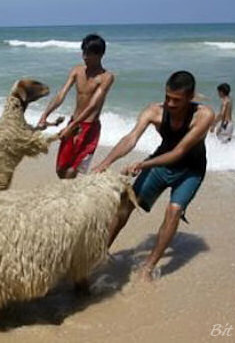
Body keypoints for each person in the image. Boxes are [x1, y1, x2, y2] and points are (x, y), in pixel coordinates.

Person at [92, 71, 215, 281]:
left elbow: (180, 151)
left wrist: (143, 164)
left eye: (177, 100)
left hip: (190, 170)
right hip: (160, 165)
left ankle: (148, 267)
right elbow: (131, 138)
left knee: (174, 211)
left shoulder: (204, 115)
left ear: (191, 97)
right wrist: (105, 163)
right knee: (125, 204)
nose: (170, 103)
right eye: (168, 97)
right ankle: (98, 254)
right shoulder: (154, 111)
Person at [37, 34, 114, 178]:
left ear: (100, 55)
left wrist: (71, 127)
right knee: (60, 170)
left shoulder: (106, 77)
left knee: (72, 170)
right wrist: (45, 115)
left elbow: (92, 105)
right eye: (84, 52)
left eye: (89, 54)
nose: (85, 57)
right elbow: (61, 95)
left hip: (90, 128)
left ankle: (68, 199)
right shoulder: (77, 71)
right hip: (74, 123)